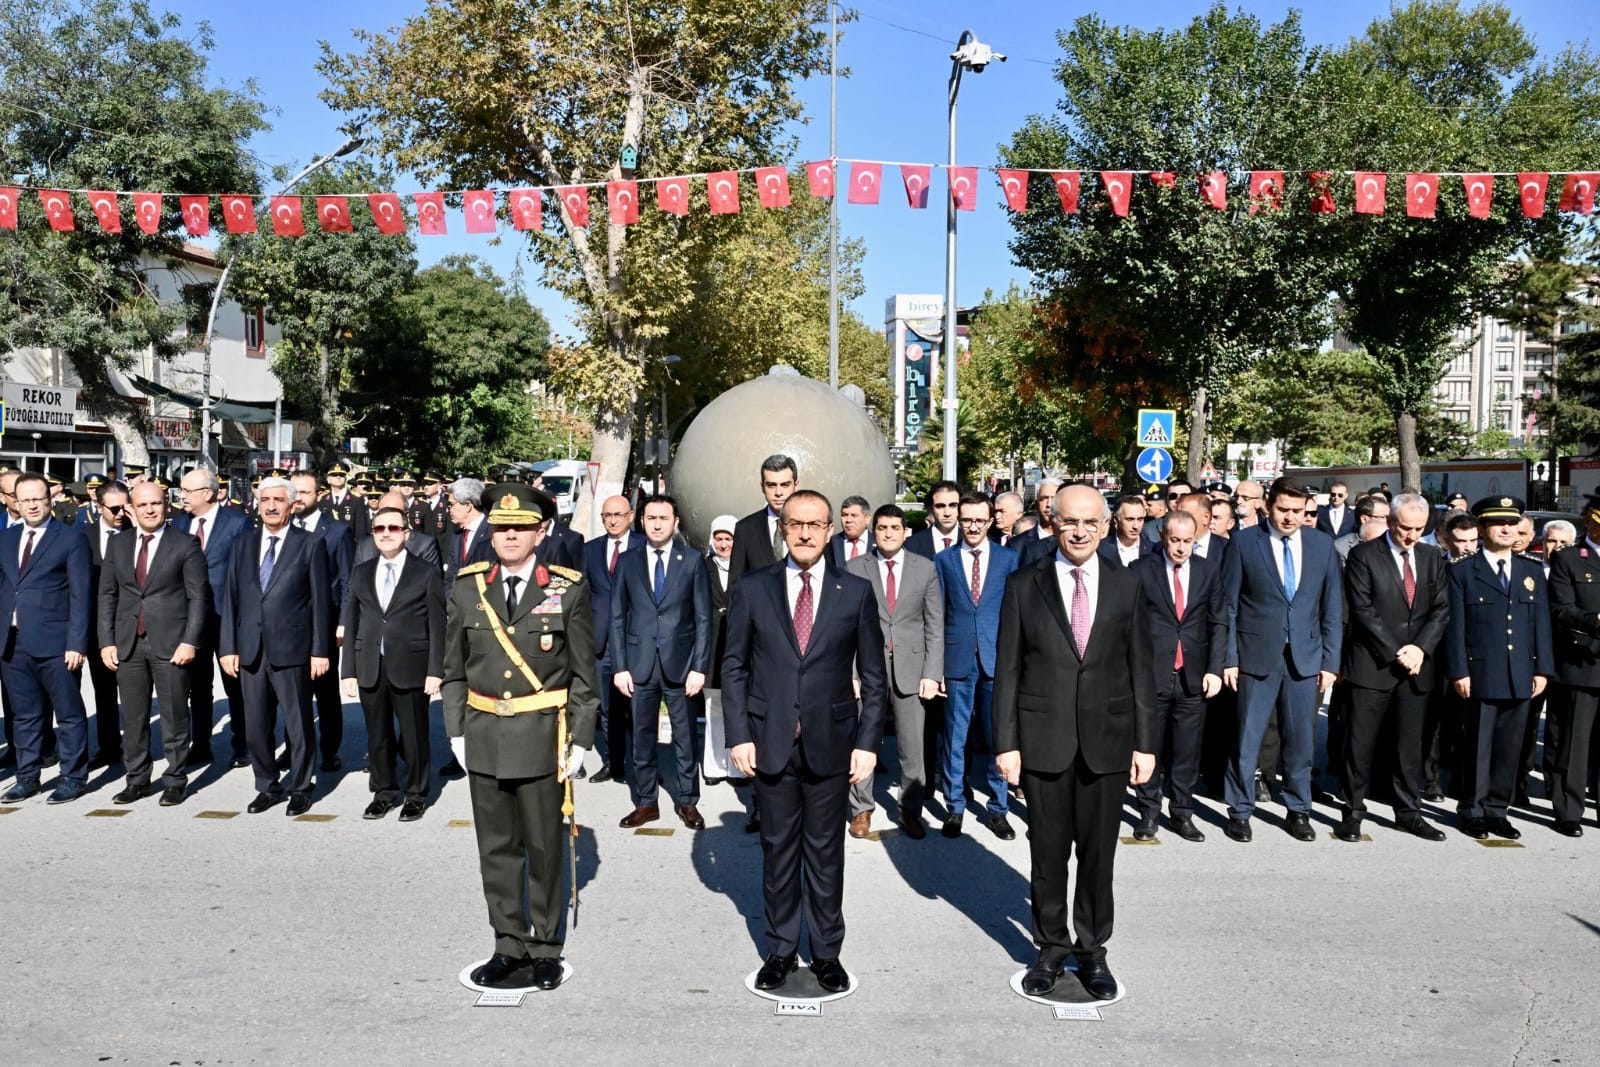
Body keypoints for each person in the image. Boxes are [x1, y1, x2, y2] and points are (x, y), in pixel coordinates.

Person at [722, 489, 887, 996]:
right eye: (796, 524)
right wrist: (738, 735)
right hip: (769, 741)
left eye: (816, 524)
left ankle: (827, 952)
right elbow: (734, 666)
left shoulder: (854, 592)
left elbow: (873, 677)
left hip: (832, 743)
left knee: (825, 852)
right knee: (777, 852)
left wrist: (867, 742)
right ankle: (780, 949)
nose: (806, 533)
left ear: (830, 530)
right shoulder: (753, 587)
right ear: (783, 529)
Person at [994, 484, 1156, 1000]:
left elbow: (1142, 668)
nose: (1080, 531)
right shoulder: (1024, 585)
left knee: (1097, 856)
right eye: (1070, 522)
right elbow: (1008, 671)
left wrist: (1145, 743)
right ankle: (1050, 947)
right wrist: (1006, 744)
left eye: (1090, 522)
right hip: (1043, 740)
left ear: (1105, 526)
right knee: (1047, 853)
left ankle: (1091, 950)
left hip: (1108, 741)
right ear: (1053, 523)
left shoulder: (1128, 584)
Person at [442, 484, 597, 991]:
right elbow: (453, 670)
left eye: (521, 528)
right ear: (490, 533)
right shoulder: (468, 588)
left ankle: (546, 946)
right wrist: (456, 730)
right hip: (484, 734)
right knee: (496, 849)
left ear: (540, 533)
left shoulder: (567, 589)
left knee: (544, 846)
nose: (510, 535)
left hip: (541, 736)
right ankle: (508, 943)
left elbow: (584, 676)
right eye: (502, 528)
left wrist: (581, 739)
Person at [1220, 477, 1342, 842]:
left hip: (1306, 658)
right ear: (1268, 506)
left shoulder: (1321, 545)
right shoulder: (1244, 542)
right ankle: (1240, 810)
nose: (1290, 518)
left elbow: (1332, 608)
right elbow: (1228, 606)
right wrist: (1229, 658)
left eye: (1298, 511)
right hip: (1255, 656)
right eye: (1283, 510)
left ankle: (1298, 809)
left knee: (1301, 740)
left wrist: (1330, 662)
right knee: (1247, 738)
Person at [1336, 493, 1451, 842]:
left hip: (1416, 668)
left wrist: (1420, 649)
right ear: (1389, 522)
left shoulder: (1432, 557)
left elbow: (1441, 608)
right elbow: (1362, 609)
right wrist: (1397, 651)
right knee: (1360, 745)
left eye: (1419, 529)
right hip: (1373, 664)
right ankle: (1353, 812)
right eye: (1405, 528)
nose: (1412, 535)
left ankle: (1408, 812)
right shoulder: (1364, 555)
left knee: (1409, 747)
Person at [219, 476, 333, 817]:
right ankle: (267, 785)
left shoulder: (310, 544)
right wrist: (228, 646)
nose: (270, 506)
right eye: (265, 500)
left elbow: (320, 602)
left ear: (292, 505)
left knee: (298, 725)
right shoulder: (242, 543)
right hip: (251, 648)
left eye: (278, 500)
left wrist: (320, 650)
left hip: (293, 648)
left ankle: (301, 787)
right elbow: (231, 598)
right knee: (256, 726)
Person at [1442, 496, 1553, 840]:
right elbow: (1455, 626)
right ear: (1482, 528)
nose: (1506, 529)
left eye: (1511, 523)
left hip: (1520, 672)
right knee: (1478, 745)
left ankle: (1497, 810)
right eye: (1497, 523)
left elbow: (1541, 623)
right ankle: (1472, 810)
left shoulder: (1530, 570)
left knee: (1509, 747)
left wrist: (1543, 669)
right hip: (1480, 672)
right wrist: (1458, 670)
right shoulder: (1462, 570)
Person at [98, 482, 209, 806]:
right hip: (128, 643)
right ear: (132, 508)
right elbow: (107, 594)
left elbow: (198, 597)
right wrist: (106, 640)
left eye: (155, 504)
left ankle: (175, 779)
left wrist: (190, 641)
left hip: (171, 643)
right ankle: (137, 779)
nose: (149, 510)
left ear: (166, 506)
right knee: (134, 717)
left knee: (174, 714)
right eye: (142, 505)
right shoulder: (118, 544)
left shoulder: (185, 543)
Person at [611, 494, 712, 831]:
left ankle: (688, 801)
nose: (657, 524)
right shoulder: (628, 561)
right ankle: (646, 802)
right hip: (638, 665)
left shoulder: (692, 561)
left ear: (675, 522)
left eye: (663, 518)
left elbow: (703, 618)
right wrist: (620, 666)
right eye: (651, 518)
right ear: (642, 521)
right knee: (641, 737)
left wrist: (699, 667)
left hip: (681, 666)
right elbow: (617, 617)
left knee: (686, 738)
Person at [340, 505, 445, 822]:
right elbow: (352, 621)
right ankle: (383, 792)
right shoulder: (361, 571)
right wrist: (348, 670)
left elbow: (437, 624)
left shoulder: (425, 571)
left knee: (414, 735)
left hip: (411, 664)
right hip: (371, 663)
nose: (386, 534)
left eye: (393, 528)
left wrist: (435, 670)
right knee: (378, 735)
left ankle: (416, 794)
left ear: (406, 533)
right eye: (379, 528)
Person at [845, 503, 943, 839]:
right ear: (874, 532)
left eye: (894, 528)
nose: (888, 534)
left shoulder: (925, 569)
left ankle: (910, 810)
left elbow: (934, 624)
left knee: (912, 746)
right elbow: (844, 626)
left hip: (912, 669)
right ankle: (861, 809)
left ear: (905, 532)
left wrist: (932, 673)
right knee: (863, 740)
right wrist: (850, 672)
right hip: (867, 668)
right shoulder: (855, 567)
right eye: (882, 528)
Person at [0, 472, 95, 804]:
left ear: (49, 500)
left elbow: (81, 596)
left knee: (68, 714)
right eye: (24, 500)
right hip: (13, 644)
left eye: (37, 499)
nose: (31, 505)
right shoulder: (6, 539)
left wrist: (76, 643)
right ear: (16, 502)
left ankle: (73, 777)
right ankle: (27, 776)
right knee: (24, 715)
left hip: (57, 644)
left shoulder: (70, 538)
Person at [1130, 508, 1224, 842]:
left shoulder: (1209, 571)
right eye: (1175, 540)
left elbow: (1218, 622)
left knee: (1187, 750)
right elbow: (1129, 624)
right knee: (1149, 746)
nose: (1182, 547)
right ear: (1162, 537)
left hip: (1193, 675)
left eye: (1188, 541)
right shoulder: (1141, 570)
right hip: (1152, 674)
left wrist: (1215, 669)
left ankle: (1182, 813)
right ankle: (1148, 813)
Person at [935, 491, 1020, 840]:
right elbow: (938, 615)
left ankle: (998, 809)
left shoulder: (1008, 560)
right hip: (956, 659)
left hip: (996, 660)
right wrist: (936, 667)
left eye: (979, 520)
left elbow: (1014, 615)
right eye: (966, 519)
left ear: (990, 521)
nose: (972, 526)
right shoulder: (944, 560)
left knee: (998, 736)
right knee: (955, 737)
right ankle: (954, 806)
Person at [173, 467, 252, 768]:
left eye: (187, 491)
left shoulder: (238, 523)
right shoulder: (179, 523)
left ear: (207, 493)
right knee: (198, 686)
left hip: (226, 617)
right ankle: (201, 744)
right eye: (181, 490)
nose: (182, 496)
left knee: (235, 684)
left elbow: (245, 573)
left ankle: (243, 744)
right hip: (191, 618)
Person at [291, 471, 355, 773]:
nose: (298, 498)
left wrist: (344, 621)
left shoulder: (337, 531)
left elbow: (347, 580)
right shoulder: (284, 527)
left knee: (325, 692)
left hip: (325, 623)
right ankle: (294, 748)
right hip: (291, 624)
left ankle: (330, 750)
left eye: (305, 492)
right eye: (294, 492)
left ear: (319, 495)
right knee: (293, 691)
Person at [1544, 497, 1600, 837]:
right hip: (1582, 661)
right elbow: (1560, 609)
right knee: (1574, 743)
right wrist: (1594, 621)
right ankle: (1568, 810)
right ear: (1590, 523)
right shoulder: (1569, 559)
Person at [700, 514, 755, 825]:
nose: (723, 544)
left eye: (729, 538)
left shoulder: (747, 569)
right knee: (713, 709)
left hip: (738, 646)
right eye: (719, 538)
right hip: (711, 647)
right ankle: (714, 766)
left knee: (738, 707)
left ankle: (738, 767)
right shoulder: (702, 567)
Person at [580, 495, 636, 784]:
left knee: (637, 707)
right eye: (607, 516)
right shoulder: (590, 550)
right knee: (607, 706)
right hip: (600, 641)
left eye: (618, 514)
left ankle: (641, 763)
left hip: (635, 640)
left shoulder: (644, 546)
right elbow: (582, 594)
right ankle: (614, 763)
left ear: (630, 516)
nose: (612, 520)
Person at [83, 481, 129, 769]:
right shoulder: (82, 536)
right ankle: (109, 746)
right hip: (95, 626)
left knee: (135, 693)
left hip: (131, 625)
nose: (121, 513)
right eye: (114, 508)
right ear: (99, 507)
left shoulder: (137, 533)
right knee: (104, 691)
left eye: (125, 506)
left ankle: (136, 750)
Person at [728, 454, 798, 583]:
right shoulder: (745, 529)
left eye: (785, 485)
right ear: (762, 487)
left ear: (796, 485)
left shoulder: (811, 525)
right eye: (771, 485)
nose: (778, 493)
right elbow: (735, 585)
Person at [441, 477, 494, 600]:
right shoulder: (457, 535)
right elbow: (451, 577)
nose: (449, 509)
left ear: (468, 505)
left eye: (451, 504)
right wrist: (451, 604)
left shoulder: (492, 532)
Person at [907, 480, 961, 558]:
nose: (947, 513)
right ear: (931, 509)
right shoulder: (911, 544)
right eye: (940, 506)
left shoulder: (971, 541)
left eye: (953, 505)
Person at [1097, 493, 1149, 568]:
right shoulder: (1101, 549)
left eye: (1140, 519)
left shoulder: (1153, 549)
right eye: (1130, 519)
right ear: (1116, 520)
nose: (1136, 526)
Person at [829, 495, 872, 566]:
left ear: (867, 518)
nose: (848, 520)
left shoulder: (879, 543)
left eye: (854, 515)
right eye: (844, 515)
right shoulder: (830, 543)